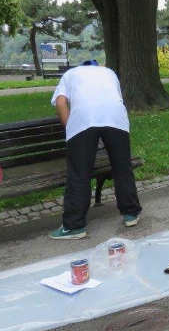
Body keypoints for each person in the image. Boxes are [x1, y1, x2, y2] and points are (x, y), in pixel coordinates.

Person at [49, 59, 141, 239]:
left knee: (79, 173)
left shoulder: (70, 74)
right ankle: (131, 214)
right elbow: (115, 99)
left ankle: (74, 226)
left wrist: (72, 129)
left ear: (80, 67)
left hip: (84, 119)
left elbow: (61, 103)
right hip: (116, 118)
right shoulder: (109, 73)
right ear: (96, 66)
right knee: (122, 167)